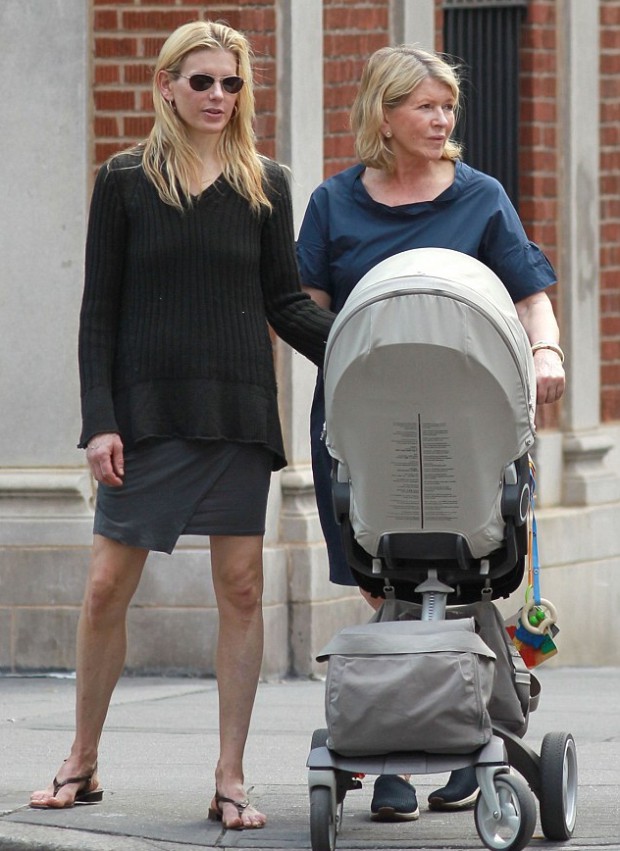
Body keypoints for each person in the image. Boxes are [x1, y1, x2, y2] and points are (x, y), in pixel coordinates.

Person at [29, 20, 333, 830]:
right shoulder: (124, 181)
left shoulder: (265, 182)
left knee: (241, 588)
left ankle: (231, 774)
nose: (218, 97)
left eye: (232, 84)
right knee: (103, 590)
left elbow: (284, 302)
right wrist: (100, 421)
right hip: (146, 414)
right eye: (202, 82)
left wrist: (364, 349)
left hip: (235, 411)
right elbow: (99, 313)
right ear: (166, 86)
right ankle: (82, 760)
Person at [297, 45, 565, 822]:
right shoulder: (334, 204)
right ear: (384, 114)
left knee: (463, 578)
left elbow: (531, 295)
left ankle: (461, 734)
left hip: (467, 422)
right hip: (366, 423)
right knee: (383, 579)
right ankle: (389, 747)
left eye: (447, 105)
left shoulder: (480, 196)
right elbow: (307, 308)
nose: (442, 117)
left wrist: (545, 352)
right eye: (425, 105)